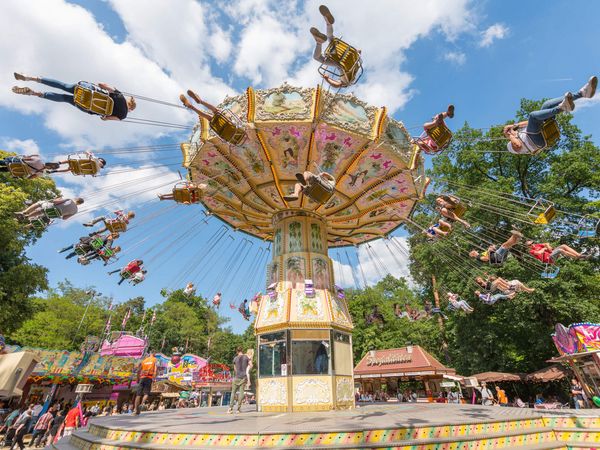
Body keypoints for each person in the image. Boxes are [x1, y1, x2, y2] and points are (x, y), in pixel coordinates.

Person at [503, 76, 597, 154]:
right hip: (534, 140)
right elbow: (518, 145)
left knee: (546, 105)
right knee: (532, 116)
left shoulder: (519, 133)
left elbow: (529, 123)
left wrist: (515, 125)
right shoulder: (510, 146)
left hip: (537, 132)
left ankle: (582, 93)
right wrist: (510, 136)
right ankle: (561, 108)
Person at [12, 73, 136, 120]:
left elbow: (101, 84)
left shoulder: (119, 95)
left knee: (64, 85)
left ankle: (32, 78)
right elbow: (105, 119)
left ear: (128, 101)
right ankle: (34, 93)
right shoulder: (122, 116)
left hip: (86, 91)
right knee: (65, 98)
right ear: (130, 109)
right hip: (86, 106)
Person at [310, 5, 360, 88]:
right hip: (340, 63)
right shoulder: (347, 81)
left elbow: (359, 52)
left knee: (331, 38)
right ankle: (319, 42)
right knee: (317, 57)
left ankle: (328, 23)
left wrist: (357, 52)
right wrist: (327, 79)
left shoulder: (356, 64)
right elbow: (336, 85)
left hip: (347, 51)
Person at [16, 197, 84, 223]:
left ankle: (24, 212)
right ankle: (27, 217)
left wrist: (55, 199)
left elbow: (55, 202)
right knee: (41, 211)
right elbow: (64, 218)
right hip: (52, 214)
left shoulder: (69, 200)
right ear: (79, 204)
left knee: (40, 203)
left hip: (50, 208)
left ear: (76, 199)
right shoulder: (75, 211)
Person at [228, 347, 250, 414]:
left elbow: (235, 369)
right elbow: (251, 365)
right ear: (242, 350)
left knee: (233, 393)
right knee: (241, 393)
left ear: (237, 351)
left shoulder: (235, 358)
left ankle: (230, 408)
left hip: (236, 377)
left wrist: (238, 372)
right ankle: (238, 409)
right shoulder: (246, 357)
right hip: (243, 377)